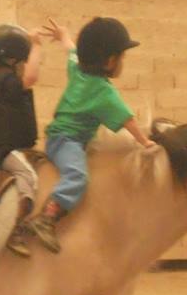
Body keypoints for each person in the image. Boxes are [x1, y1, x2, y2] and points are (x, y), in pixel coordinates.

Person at [28, 17, 155, 254]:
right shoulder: (103, 92)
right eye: (122, 57)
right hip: (66, 141)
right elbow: (128, 121)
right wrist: (145, 142)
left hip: (74, 138)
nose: (123, 63)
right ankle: (47, 217)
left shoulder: (78, 69)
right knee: (77, 176)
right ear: (109, 61)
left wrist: (64, 36)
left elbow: (72, 52)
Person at [0, 22, 44, 256]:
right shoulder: (2, 81)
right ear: (12, 60)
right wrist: (36, 46)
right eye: (23, 60)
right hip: (4, 152)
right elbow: (32, 77)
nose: (25, 66)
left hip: (12, 148)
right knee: (29, 175)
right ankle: (16, 228)